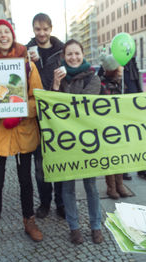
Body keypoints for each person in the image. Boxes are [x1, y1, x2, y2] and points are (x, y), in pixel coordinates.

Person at [0, 19, 44, 255]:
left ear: (12, 35)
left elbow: (38, 97)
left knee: (26, 180)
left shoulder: (27, 64)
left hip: (21, 130)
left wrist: (21, 112)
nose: (3, 35)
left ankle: (29, 220)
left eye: (6, 31)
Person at [51, 39, 103, 244]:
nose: (73, 57)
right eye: (69, 54)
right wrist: (55, 85)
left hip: (87, 141)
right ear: (64, 57)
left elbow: (81, 106)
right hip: (66, 142)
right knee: (68, 187)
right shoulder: (59, 78)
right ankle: (74, 227)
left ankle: (95, 226)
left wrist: (64, 92)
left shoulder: (93, 78)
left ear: (83, 55)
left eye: (77, 53)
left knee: (91, 186)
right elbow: (53, 108)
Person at [26, 13, 65, 219]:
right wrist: (30, 64)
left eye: (45, 29)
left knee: (58, 160)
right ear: (33, 29)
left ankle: (61, 202)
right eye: (37, 29)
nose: (41, 33)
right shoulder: (26, 51)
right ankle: (45, 203)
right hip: (37, 116)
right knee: (40, 163)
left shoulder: (61, 50)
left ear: (51, 29)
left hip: (58, 115)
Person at [99, 54, 132, 200]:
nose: (121, 69)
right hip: (106, 126)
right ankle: (111, 187)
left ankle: (120, 184)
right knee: (109, 157)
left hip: (119, 125)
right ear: (111, 68)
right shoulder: (101, 84)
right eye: (117, 67)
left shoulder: (120, 83)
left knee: (120, 156)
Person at [123, 57, 146, 180]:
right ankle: (123, 171)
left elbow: (137, 87)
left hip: (135, 109)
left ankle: (142, 168)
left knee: (139, 140)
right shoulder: (116, 66)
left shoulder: (132, 67)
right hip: (123, 111)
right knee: (124, 142)